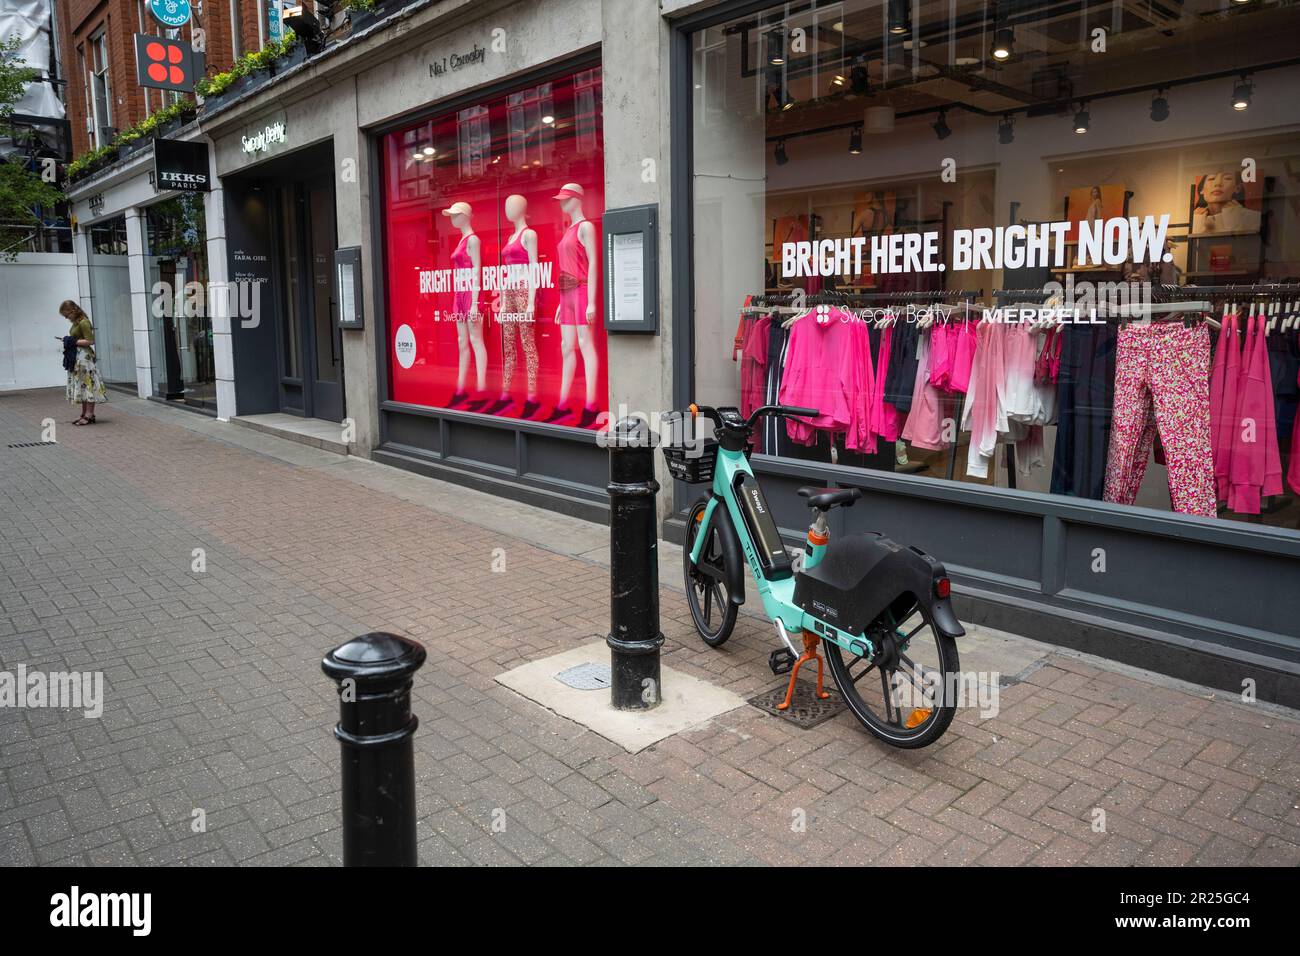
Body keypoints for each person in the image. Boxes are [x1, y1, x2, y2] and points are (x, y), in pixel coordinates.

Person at [60, 300, 106, 425]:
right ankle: (85, 413)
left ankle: (89, 415)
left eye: (66, 315)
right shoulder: (77, 322)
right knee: (82, 385)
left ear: (73, 311)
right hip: (78, 357)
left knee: (87, 384)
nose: (66, 318)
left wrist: (71, 341)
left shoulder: (84, 322)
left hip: (85, 358)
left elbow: (90, 341)